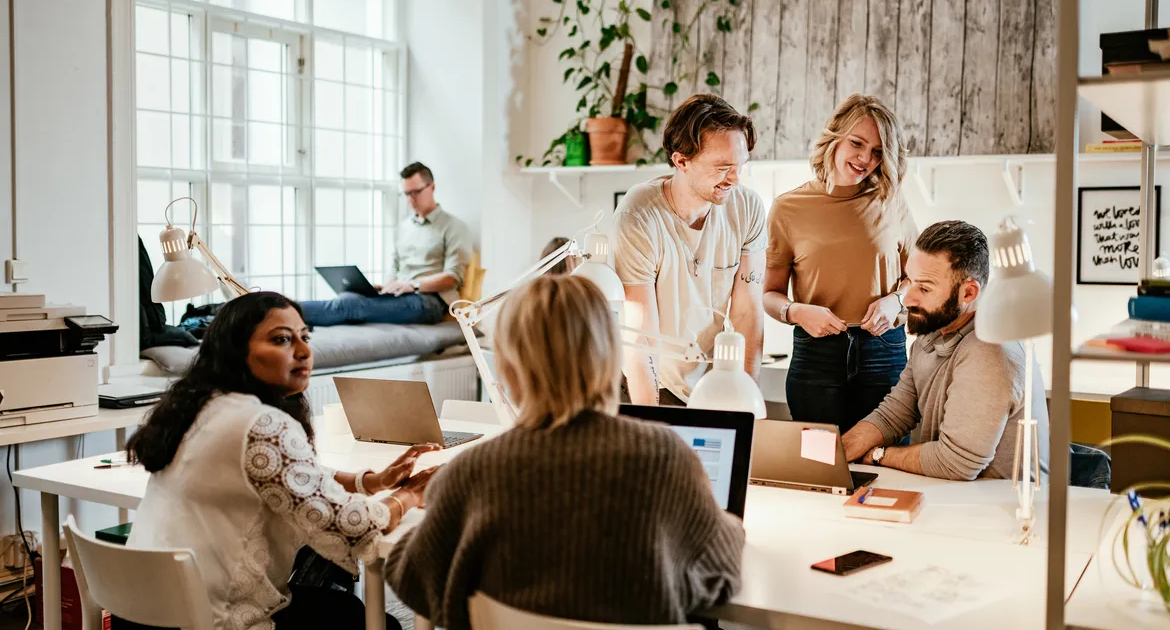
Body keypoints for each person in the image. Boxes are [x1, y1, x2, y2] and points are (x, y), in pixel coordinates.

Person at [385, 276, 743, 629]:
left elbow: (410, 577)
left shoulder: (470, 472)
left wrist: (417, 506)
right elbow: (721, 575)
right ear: (611, 356)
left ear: (508, 369)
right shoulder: (668, 458)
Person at [121, 292, 439, 630]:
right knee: (375, 622)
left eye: (305, 336)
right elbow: (350, 525)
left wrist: (370, 483)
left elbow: (286, 474)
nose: (303, 351)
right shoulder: (262, 423)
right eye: (282, 340)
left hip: (141, 612)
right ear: (236, 352)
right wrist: (411, 495)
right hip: (212, 619)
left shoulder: (197, 407)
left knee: (342, 606)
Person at [841, 220, 1051, 481]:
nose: (907, 299)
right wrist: (838, 453)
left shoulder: (990, 352)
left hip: (996, 509)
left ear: (968, 293)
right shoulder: (933, 330)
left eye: (925, 288)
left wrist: (878, 456)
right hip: (952, 495)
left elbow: (956, 463)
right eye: (910, 283)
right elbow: (895, 413)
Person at [762, 93, 919, 431]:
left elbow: (919, 279)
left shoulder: (891, 203)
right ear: (834, 138)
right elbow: (769, 295)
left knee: (886, 464)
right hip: (815, 357)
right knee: (819, 470)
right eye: (857, 143)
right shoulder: (788, 208)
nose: (865, 158)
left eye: (877, 152)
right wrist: (798, 312)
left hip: (884, 352)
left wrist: (896, 300)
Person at [614, 93, 766, 406]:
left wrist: (745, 405)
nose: (735, 179)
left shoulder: (747, 207)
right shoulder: (639, 215)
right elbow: (641, 337)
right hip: (645, 382)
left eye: (741, 166)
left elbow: (748, 315)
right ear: (681, 161)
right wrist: (652, 421)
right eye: (723, 167)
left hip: (710, 385)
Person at [300, 162, 472, 326]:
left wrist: (413, 285)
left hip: (430, 301)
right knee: (349, 298)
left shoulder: (454, 227)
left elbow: (452, 278)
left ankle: (285, 310)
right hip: (400, 295)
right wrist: (388, 286)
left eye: (416, 192)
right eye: (406, 193)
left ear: (432, 187)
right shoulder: (403, 228)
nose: (411, 199)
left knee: (350, 307)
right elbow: (395, 266)